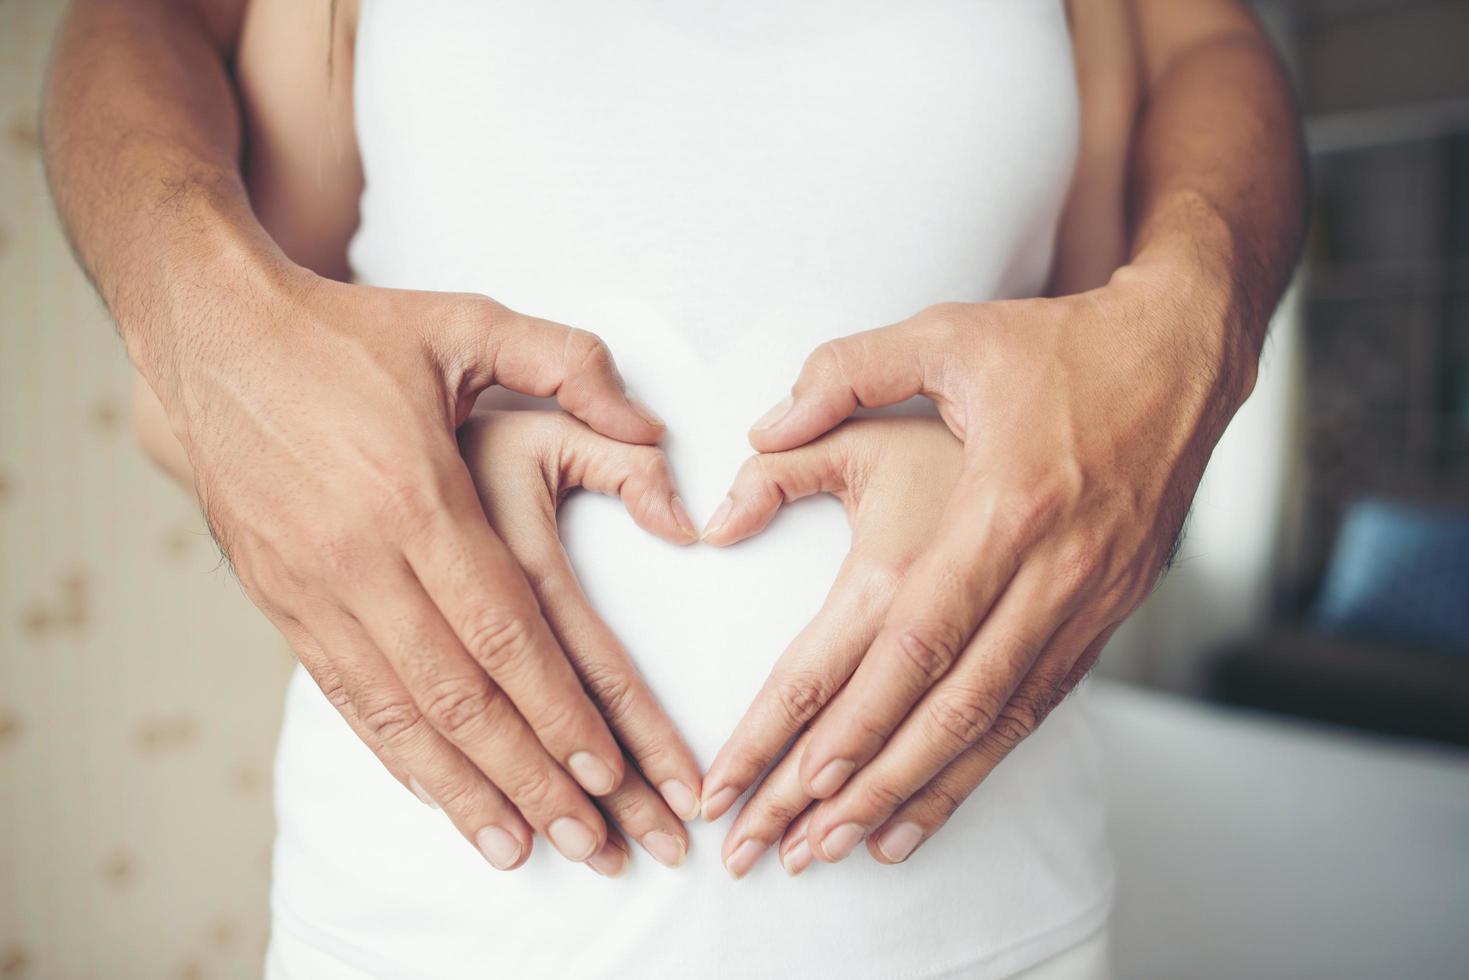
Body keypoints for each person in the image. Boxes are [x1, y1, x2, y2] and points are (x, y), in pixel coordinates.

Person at [42, 0, 1305, 976]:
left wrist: (1181, 326)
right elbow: (211, 395)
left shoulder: (1094, 32)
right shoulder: (309, 30)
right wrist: (397, 440)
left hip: (981, 922)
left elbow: (1120, 262)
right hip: (419, 929)